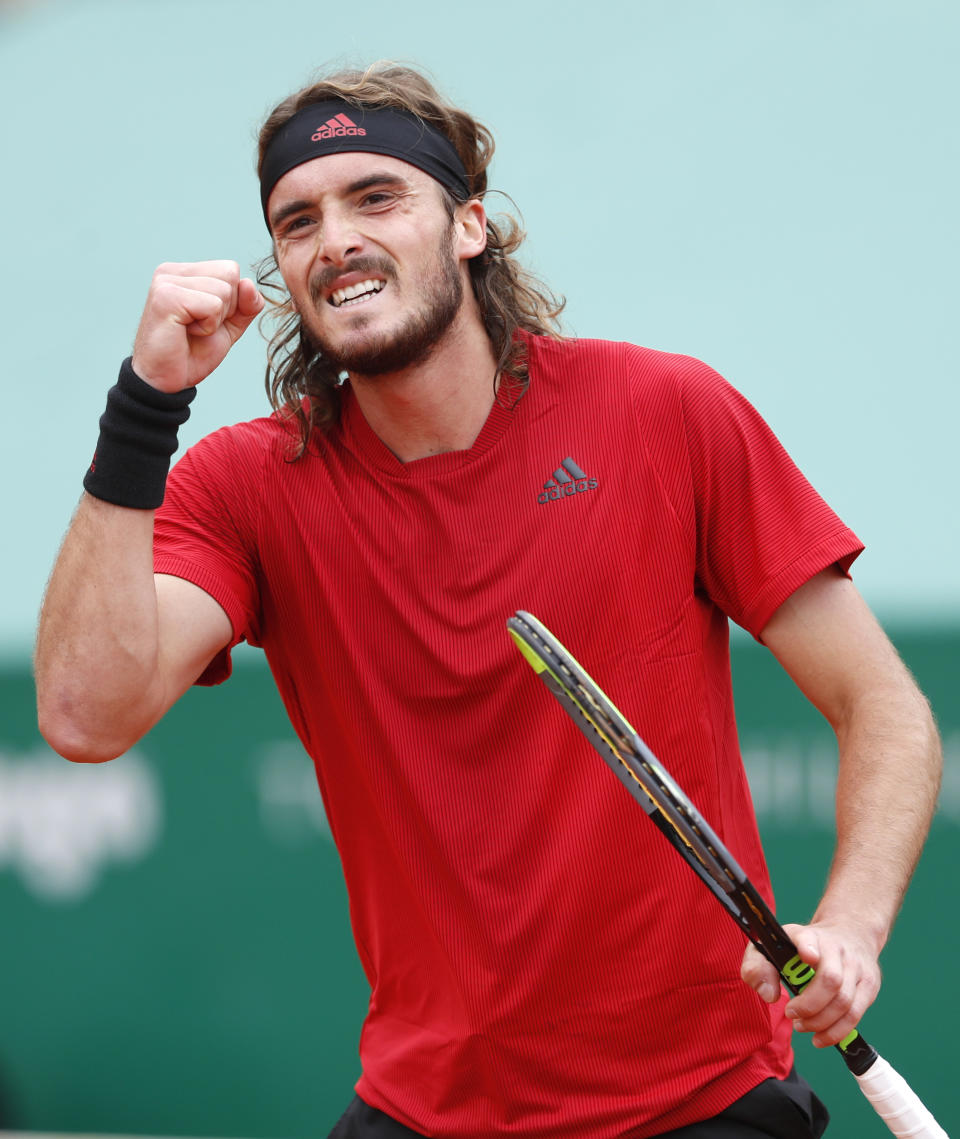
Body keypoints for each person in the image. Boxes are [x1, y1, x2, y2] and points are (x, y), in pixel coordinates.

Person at [35, 63, 941, 1139]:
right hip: (420, 1108)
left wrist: (848, 928)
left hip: (699, 1103)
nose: (336, 241)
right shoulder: (243, 487)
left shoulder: (667, 413)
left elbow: (886, 707)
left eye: (377, 198)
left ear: (468, 225)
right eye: (298, 221)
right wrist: (145, 406)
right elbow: (85, 713)